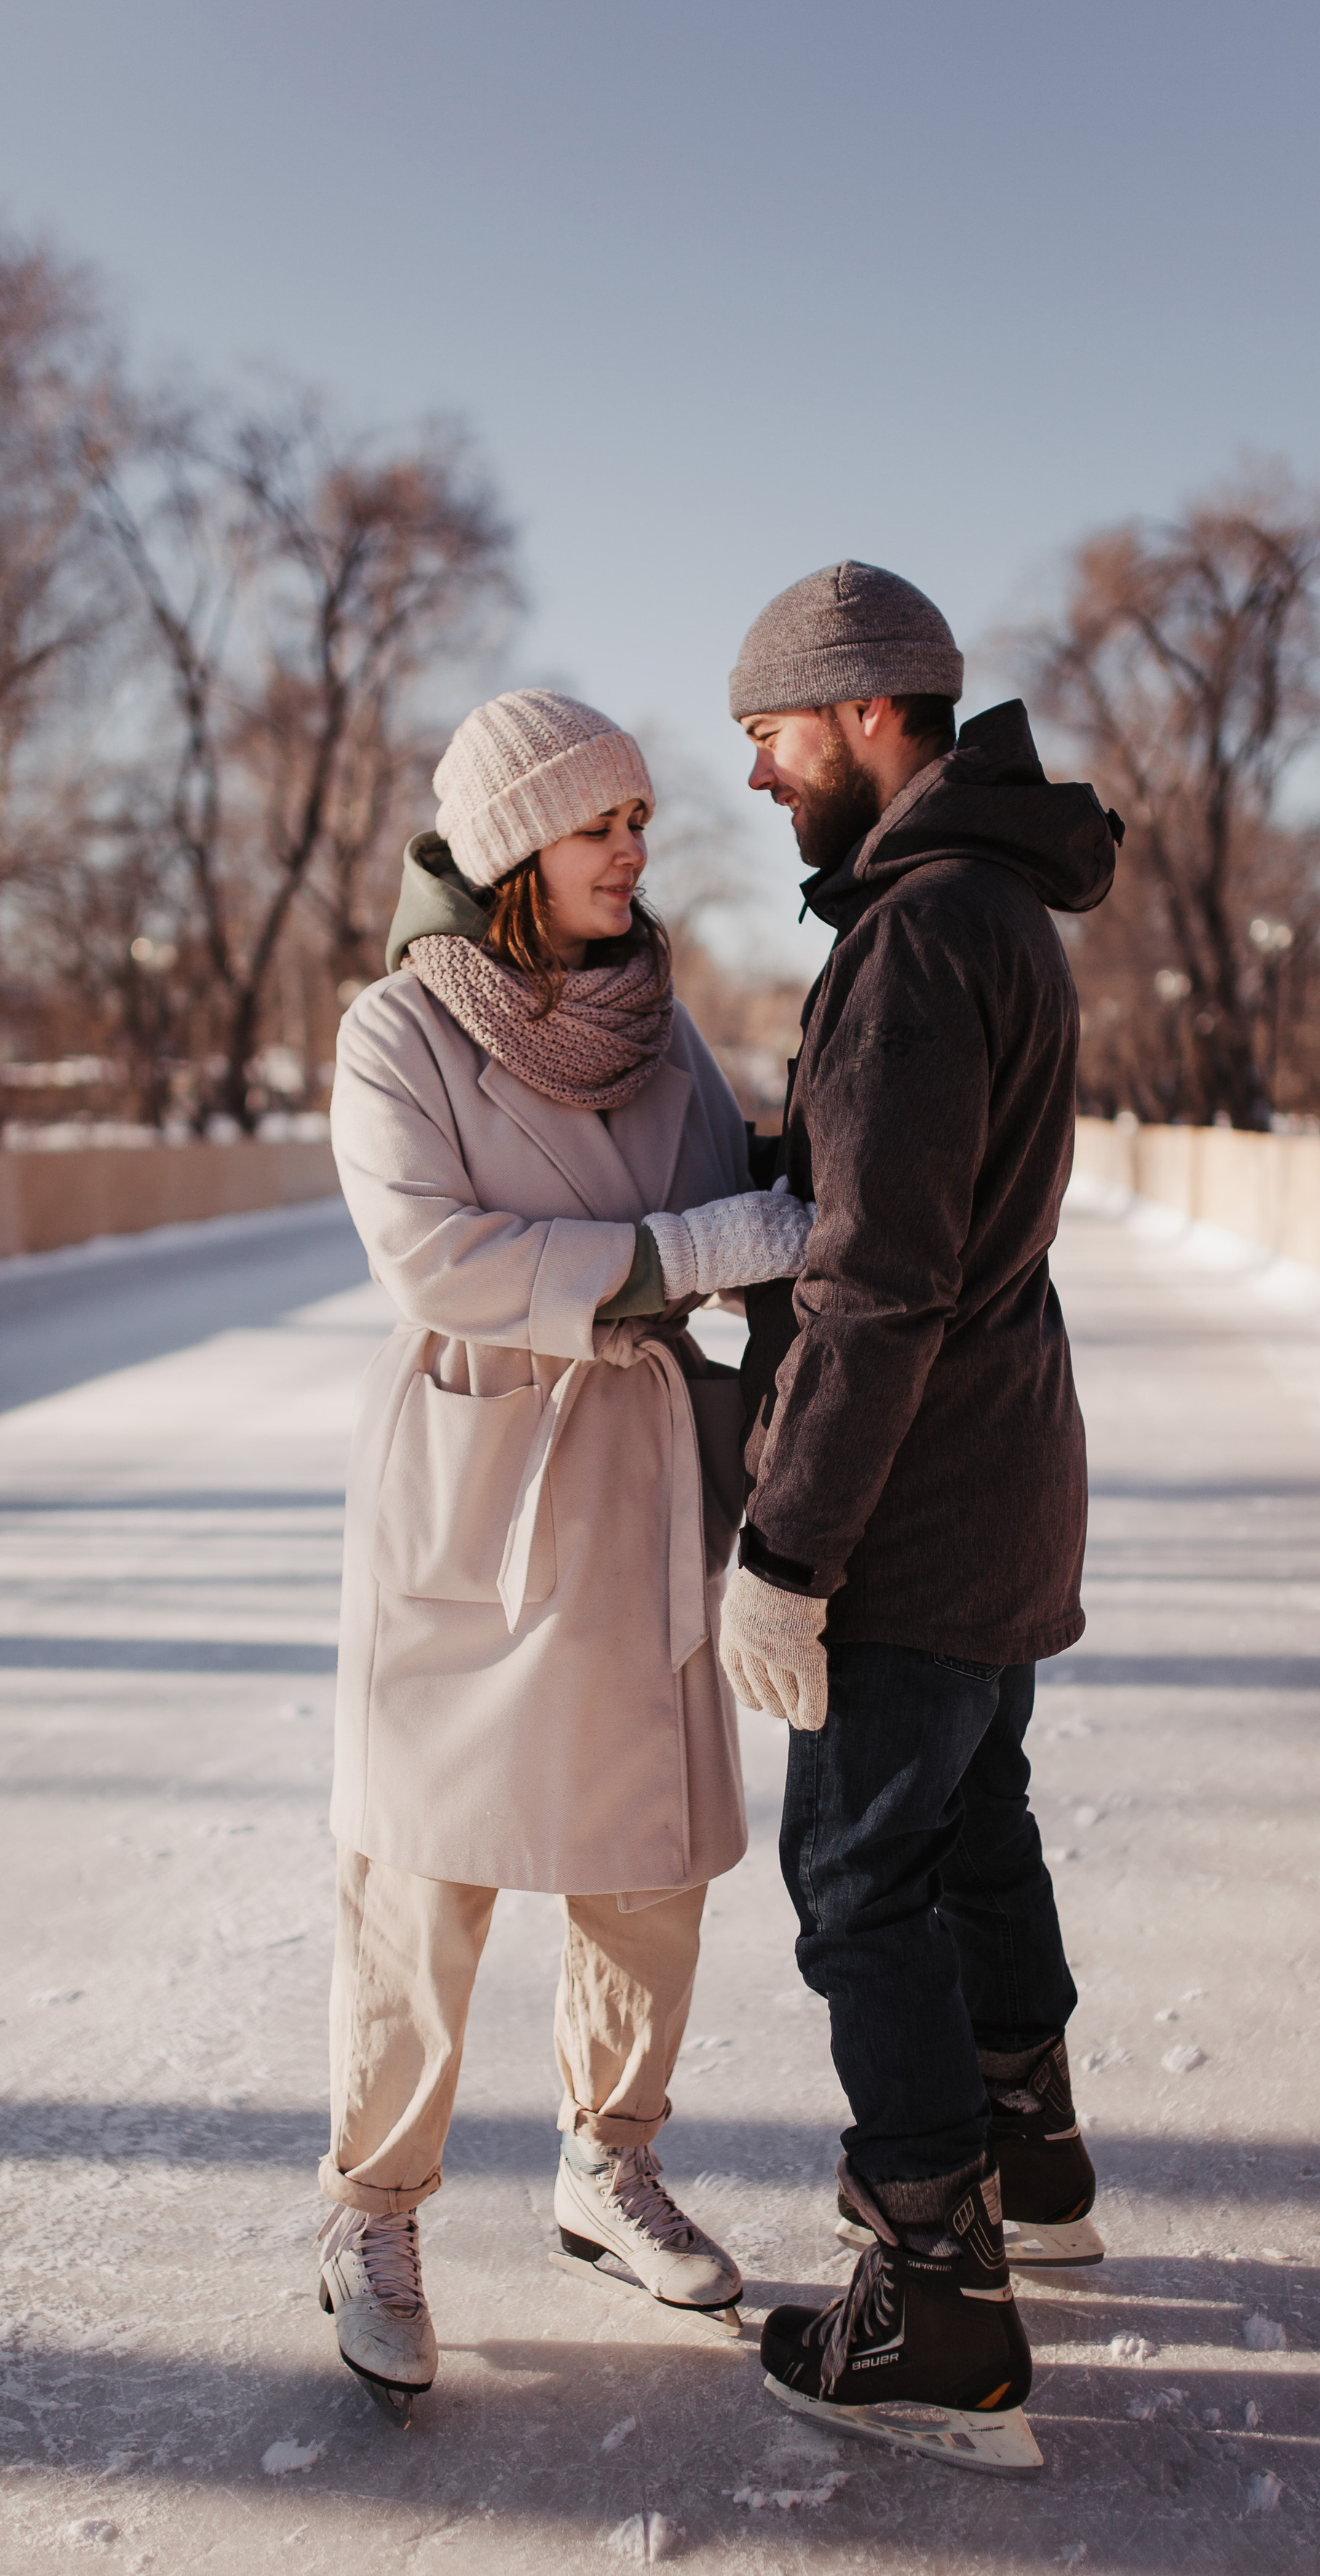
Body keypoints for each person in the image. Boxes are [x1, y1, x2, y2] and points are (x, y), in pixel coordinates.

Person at [316, 688, 813, 2424]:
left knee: (645, 1862)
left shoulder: (659, 1027)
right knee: (422, 1874)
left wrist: (768, 1237)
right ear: (520, 841)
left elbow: (727, 1217)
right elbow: (436, 1260)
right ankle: (370, 2214)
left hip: (642, 1471)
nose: (635, 847)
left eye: (635, 824)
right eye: (603, 824)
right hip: (480, 1480)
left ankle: (607, 2166)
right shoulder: (394, 1036)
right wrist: (679, 1251)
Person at [714, 563, 1122, 2471]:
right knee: (970, 1826)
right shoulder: (1004, 911)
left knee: (857, 1879)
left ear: (872, 715)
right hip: (1011, 1476)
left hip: (921, 1502)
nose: (762, 779)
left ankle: (941, 2302)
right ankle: (1028, 2144)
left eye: (773, 738)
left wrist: (789, 1551)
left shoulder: (910, 940)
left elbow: (878, 1286)